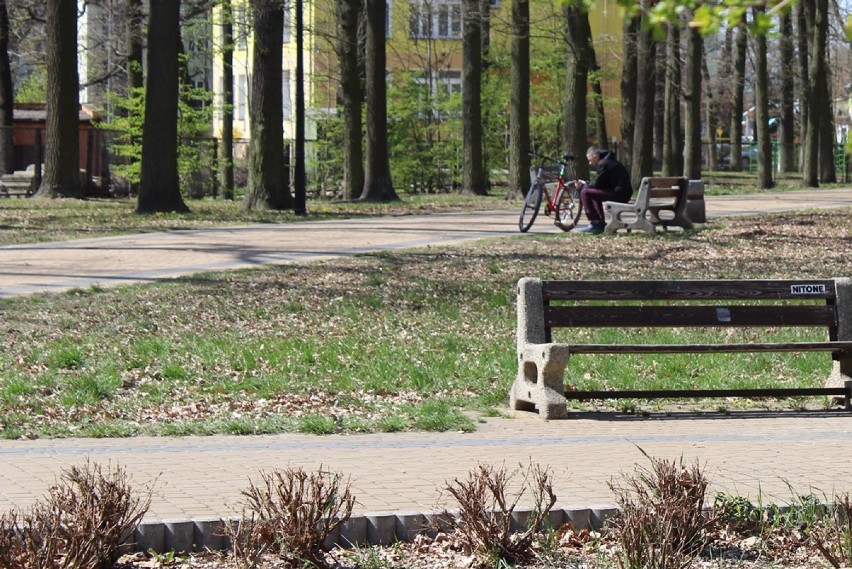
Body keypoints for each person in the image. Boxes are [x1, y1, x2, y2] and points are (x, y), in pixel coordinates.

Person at [573, 146, 633, 234]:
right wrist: (587, 184)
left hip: (619, 195)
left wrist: (583, 186)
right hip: (623, 193)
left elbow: (597, 184)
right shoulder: (609, 161)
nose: (589, 163)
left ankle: (596, 223)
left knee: (585, 192)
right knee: (591, 192)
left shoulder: (603, 163)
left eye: (590, 160)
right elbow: (600, 183)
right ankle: (598, 223)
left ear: (595, 156)